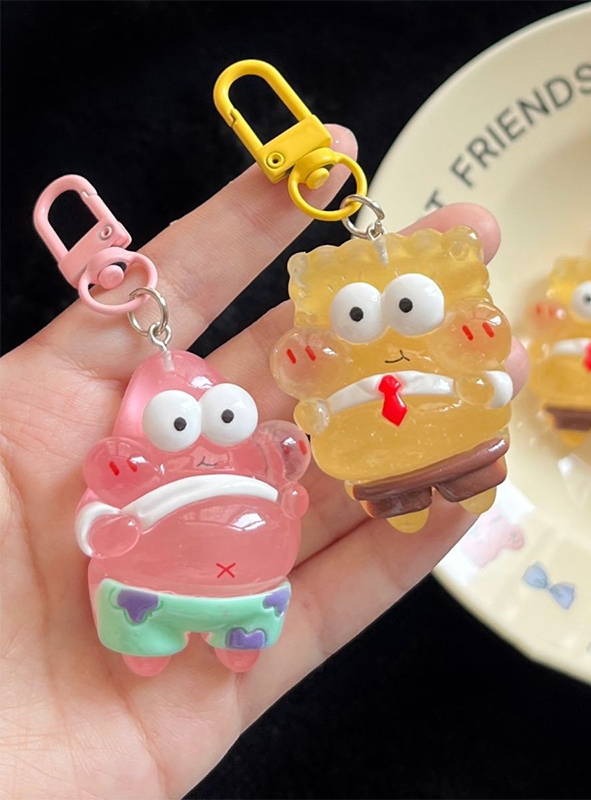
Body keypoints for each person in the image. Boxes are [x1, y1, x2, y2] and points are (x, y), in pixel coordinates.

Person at [0, 126, 528, 799]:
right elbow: (104, 512)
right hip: (156, 588)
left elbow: (301, 453)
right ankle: (157, 640)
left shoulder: (267, 443)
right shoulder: (138, 462)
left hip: (295, 553)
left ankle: (224, 631)